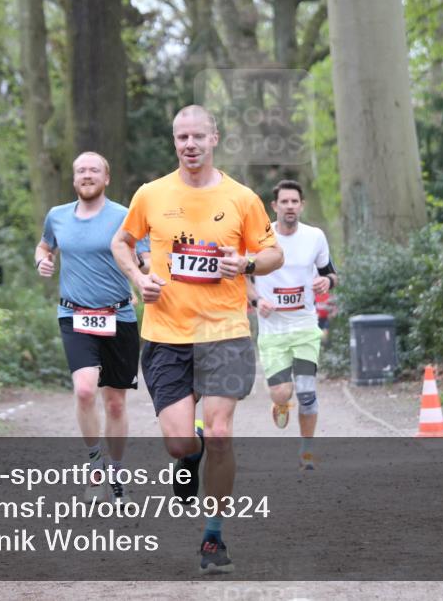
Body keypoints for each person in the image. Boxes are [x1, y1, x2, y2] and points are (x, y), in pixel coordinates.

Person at [111, 105, 283, 575]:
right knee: (179, 443)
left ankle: (213, 535)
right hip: (166, 333)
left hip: (225, 331)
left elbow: (273, 253)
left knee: (222, 432)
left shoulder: (242, 198)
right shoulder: (151, 194)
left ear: (214, 139)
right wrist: (138, 279)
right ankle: (191, 452)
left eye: (198, 136)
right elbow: (121, 242)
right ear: (175, 142)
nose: (190, 144)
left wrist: (246, 264)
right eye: (182, 137)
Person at [35, 152, 141, 504]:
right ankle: (95, 466)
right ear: (74, 178)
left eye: (94, 170)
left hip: (118, 316)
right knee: (84, 390)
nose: (87, 175)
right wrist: (42, 260)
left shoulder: (124, 216)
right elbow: (44, 246)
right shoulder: (57, 216)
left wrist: (145, 279)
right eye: (81, 170)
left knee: (115, 404)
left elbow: (143, 257)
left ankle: (117, 472)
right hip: (74, 315)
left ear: (106, 178)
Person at [245, 180, 338, 471]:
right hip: (272, 328)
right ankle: (280, 403)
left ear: (302, 205)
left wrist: (327, 282)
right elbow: (242, 277)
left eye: (294, 202)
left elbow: (331, 273)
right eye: (284, 202)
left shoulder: (315, 237)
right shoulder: (260, 238)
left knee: (307, 393)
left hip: (305, 326)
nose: (289, 206)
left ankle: (307, 452)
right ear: (274, 206)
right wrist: (258, 301)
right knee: (281, 392)